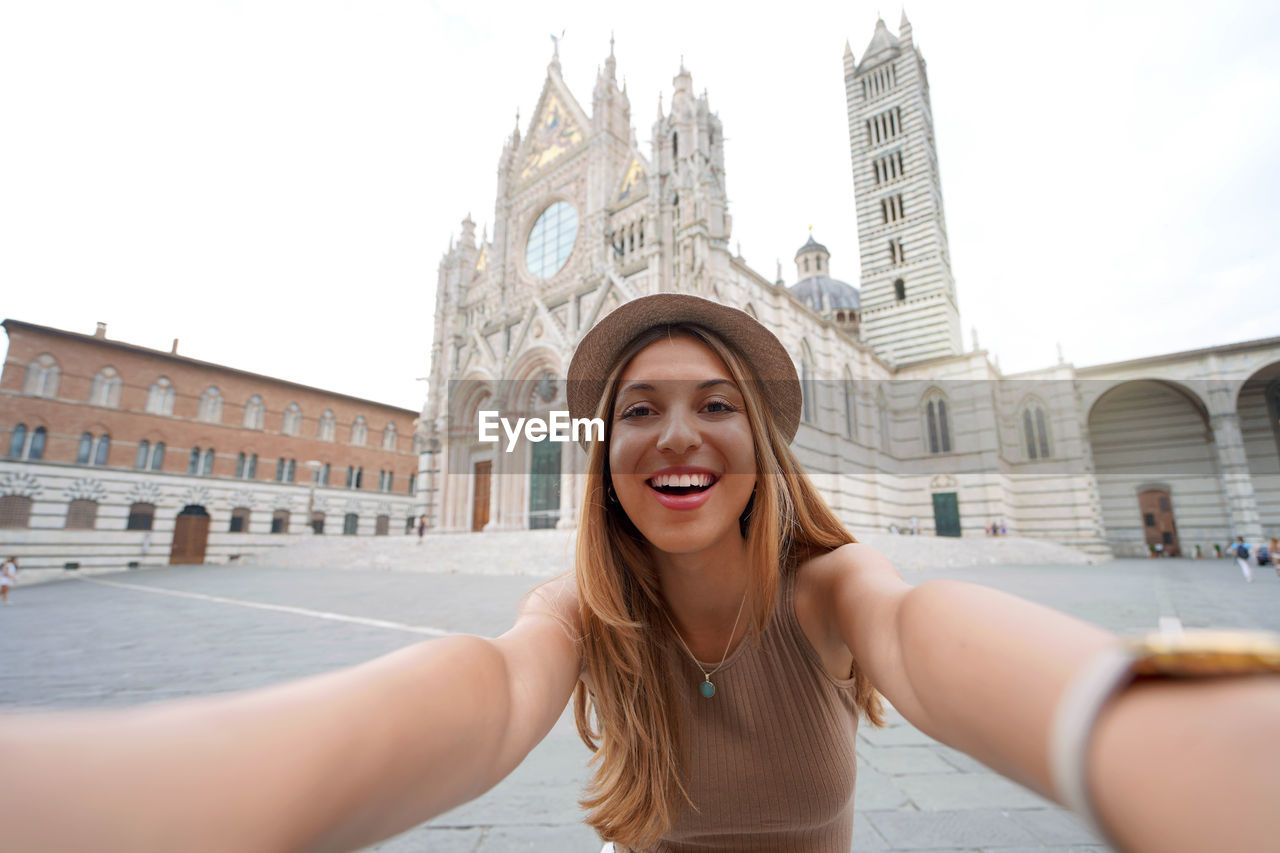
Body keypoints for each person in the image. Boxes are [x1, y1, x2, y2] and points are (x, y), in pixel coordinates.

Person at [0, 295, 1278, 853]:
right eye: (637, 410)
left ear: (764, 442)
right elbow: (481, 698)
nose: (675, 434)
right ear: (596, 450)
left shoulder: (833, 586)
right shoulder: (576, 611)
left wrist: (1148, 722)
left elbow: (931, 638)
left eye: (716, 404)